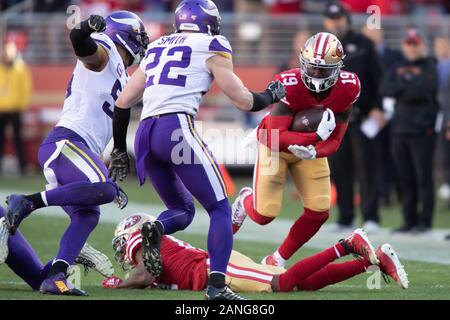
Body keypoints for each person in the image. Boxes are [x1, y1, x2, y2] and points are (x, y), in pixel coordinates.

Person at [107, 0, 285, 300]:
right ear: (209, 22)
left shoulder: (159, 45)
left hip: (144, 133)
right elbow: (241, 99)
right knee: (219, 208)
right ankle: (216, 287)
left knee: (183, 210)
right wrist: (269, 96)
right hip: (174, 128)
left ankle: (156, 227)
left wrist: (120, 150)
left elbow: (123, 102)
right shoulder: (212, 43)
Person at [1, 11, 149, 295]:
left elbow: (120, 110)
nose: (141, 44)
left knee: (88, 215)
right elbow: (81, 44)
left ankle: (55, 276)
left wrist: (118, 148)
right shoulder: (106, 51)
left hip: (77, 151)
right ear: (125, 35)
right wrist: (83, 29)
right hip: (67, 143)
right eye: (139, 38)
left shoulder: (122, 70)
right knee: (105, 188)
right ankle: (27, 202)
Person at [232, 32, 360, 269]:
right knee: (264, 215)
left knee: (319, 211)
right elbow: (275, 137)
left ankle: (277, 259)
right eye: (311, 68)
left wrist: (316, 150)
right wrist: (315, 137)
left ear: (338, 68)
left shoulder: (349, 87)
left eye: (323, 69)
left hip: (308, 150)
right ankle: (244, 199)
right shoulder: (288, 83)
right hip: (274, 144)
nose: (316, 74)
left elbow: (337, 139)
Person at [102, 213, 409, 292]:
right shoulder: (159, 240)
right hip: (221, 265)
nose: (124, 252)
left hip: (215, 270)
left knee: (281, 285)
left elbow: (145, 274)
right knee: (303, 284)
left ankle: (346, 244)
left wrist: (119, 283)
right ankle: (372, 259)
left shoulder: (142, 242)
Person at [323, 1, 384, 233]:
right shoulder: (321, 47)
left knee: (366, 168)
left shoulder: (364, 44)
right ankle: (345, 216)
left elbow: (380, 79)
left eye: (339, 18)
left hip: (361, 115)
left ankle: (371, 216)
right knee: (339, 168)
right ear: (326, 21)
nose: (336, 22)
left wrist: (379, 107)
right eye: (332, 18)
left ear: (347, 19)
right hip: (333, 118)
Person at [380, 29, 439, 233]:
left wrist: (403, 87)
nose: (412, 48)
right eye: (409, 44)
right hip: (400, 128)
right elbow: (385, 89)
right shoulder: (397, 66)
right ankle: (409, 220)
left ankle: (425, 221)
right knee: (404, 177)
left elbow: (423, 90)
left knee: (423, 176)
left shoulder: (430, 65)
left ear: (422, 45)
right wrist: (407, 86)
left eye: (416, 44)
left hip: (423, 129)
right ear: (404, 46)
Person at [0, 205, 113, 293]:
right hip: (4, 218)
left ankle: (72, 252)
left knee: (41, 281)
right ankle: (74, 253)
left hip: (4, 220)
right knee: (41, 281)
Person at [362, 26, 404, 206]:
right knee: (375, 156)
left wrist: (388, 109)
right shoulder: (361, 56)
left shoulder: (395, 55)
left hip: (395, 112)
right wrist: (372, 109)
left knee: (397, 155)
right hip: (372, 113)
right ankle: (381, 194)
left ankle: (401, 194)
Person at [0, 41, 31, 176]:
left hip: (15, 109)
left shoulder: (21, 68)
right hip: (1, 109)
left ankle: (22, 167)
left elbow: (25, 89)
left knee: (18, 139)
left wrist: (22, 105)